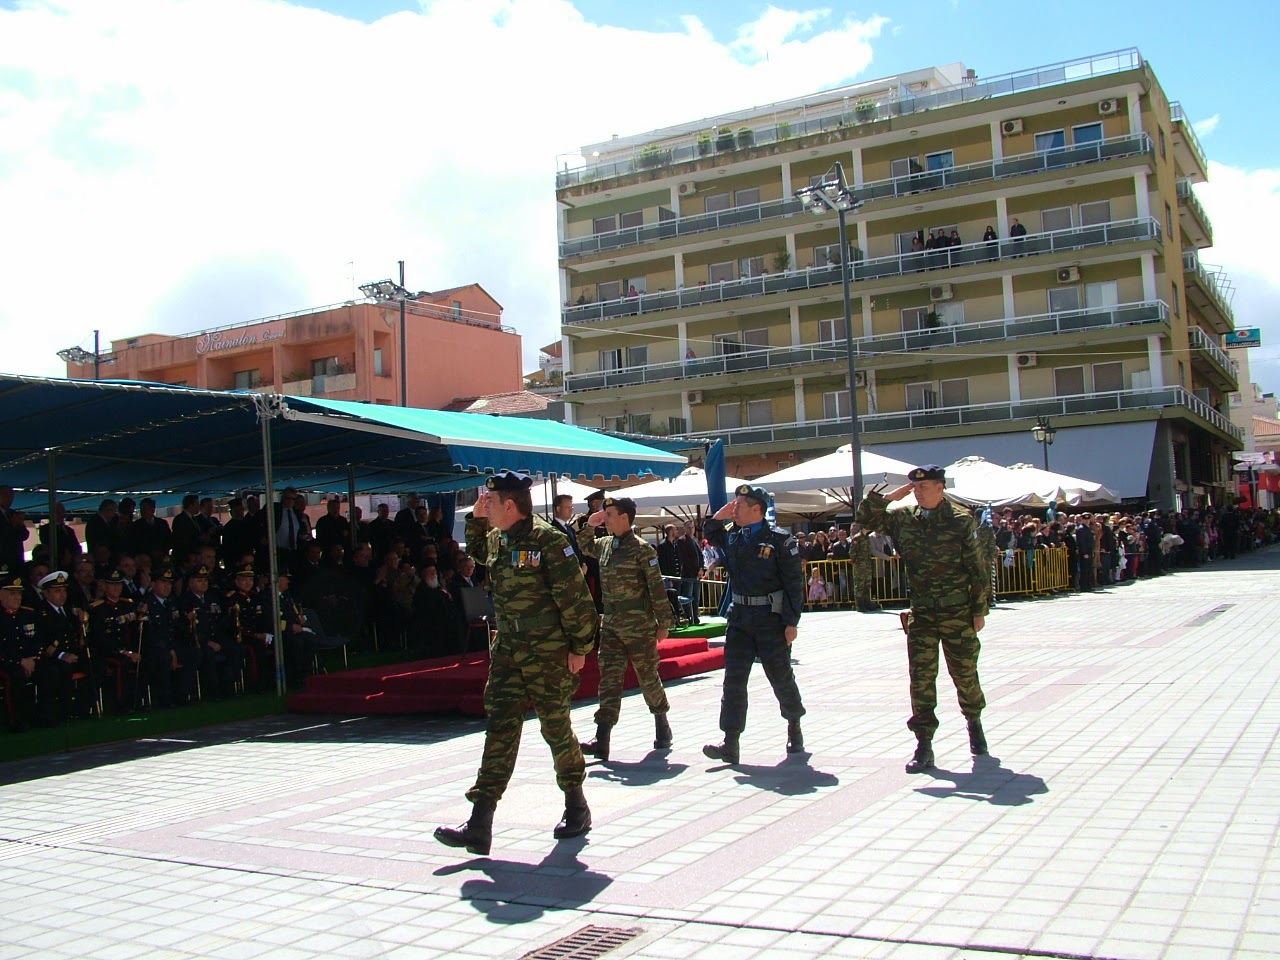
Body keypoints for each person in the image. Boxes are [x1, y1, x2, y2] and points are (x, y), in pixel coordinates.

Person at [434, 471, 599, 855]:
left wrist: (579, 648)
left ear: (510, 505)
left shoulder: (549, 541)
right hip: (509, 649)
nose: (485, 507)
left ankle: (576, 804)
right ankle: (480, 822)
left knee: (555, 727)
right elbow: (477, 553)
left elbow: (577, 601)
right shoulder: (498, 537)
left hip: (548, 651)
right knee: (500, 729)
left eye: (490, 503)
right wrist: (475, 519)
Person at [856, 465, 991, 773]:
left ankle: (974, 722)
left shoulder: (959, 520)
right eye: (916, 487)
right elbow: (864, 520)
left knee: (965, 673)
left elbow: (976, 567)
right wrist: (890, 496)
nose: (919, 491)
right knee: (921, 679)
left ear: (941, 488)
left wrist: (979, 610)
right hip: (923, 612)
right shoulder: (904, 519)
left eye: (925, 486)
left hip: (956, 610)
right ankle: (924, 744)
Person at [701, 483, 806, 764]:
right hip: (739, 619)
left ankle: (794, 725)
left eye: (740, 505)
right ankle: (730, 741)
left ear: (757, 509)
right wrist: (720, 515)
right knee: (733, 681)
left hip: (770, 620)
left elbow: (795, 584)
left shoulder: (781, 541)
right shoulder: (733, 537)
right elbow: (709, 532)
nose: (735, 508)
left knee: (780, 676)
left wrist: (791, 622)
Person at [577, 496, 674, 762]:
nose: (605, 518)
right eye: (604, 514)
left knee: (647, 676)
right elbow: (583, 545)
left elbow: (656, 588)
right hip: (611, 624)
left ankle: (661, 723)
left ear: (625, 517)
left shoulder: (643, 549)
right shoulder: (605, 545)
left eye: (609, 514)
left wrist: (663, 623)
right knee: (608, 678)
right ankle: (602, 738)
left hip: (639, 625)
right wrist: (589, 523)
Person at [676, 522, 704, 626]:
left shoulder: (695, 540)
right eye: (689, 528)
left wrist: (701, 568)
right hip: (688, 574)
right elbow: (685, 559)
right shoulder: (681, 541)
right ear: (684, 528)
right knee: (688, 597)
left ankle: (695, 617)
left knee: (696, 598)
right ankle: (689, 617)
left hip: (697, 574)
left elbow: (701, 556)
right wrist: (696, 570)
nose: (691, 529)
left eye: (692, 527)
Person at [0, 486, 31, 571]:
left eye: (11, 496)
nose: (9, 499)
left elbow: (25, 535)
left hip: (17, 558)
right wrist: (13, 525)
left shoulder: (13, 514)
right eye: (6, 495)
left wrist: (20, 524)